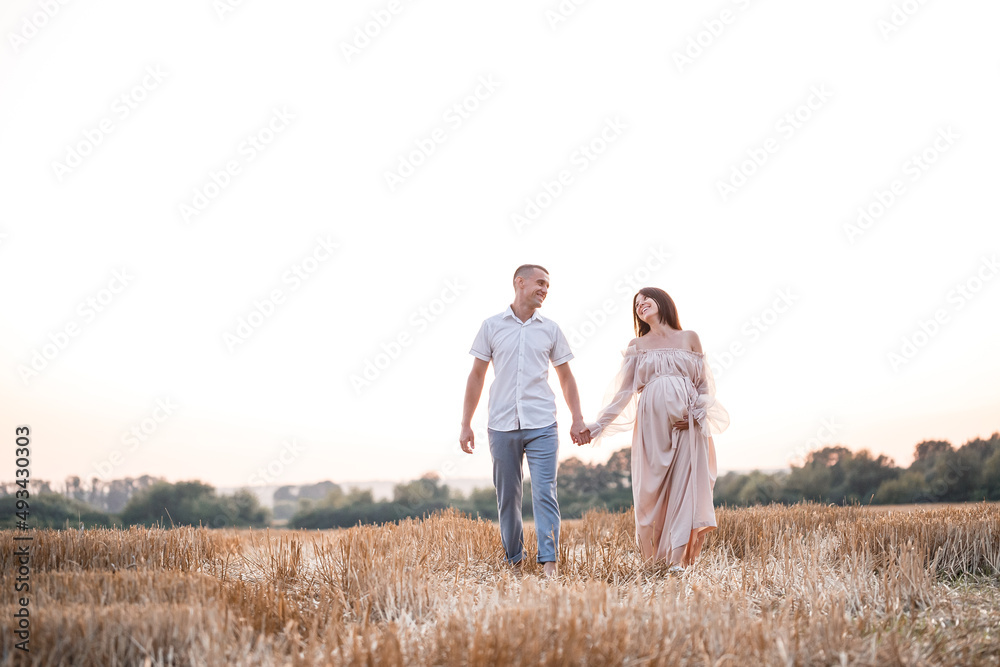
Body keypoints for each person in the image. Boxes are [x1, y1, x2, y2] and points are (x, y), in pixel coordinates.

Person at [583, 287, 729, 572]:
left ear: (661, 301)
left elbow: (703, 386)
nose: (640, 305)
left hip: (688, 425)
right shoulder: (637, 345)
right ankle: (656, 560)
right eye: (636, 304)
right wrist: (598, 425)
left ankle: (677, 560)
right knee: (649, 492)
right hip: (651, 427)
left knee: (686, 486)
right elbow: (624, 392)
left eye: (645, 299)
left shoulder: (689, 338)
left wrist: (697, 413)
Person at [460, 264, 590, 577]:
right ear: (520, 282)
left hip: (542, 423)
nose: (545, 290)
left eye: (548, 285)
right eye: (540, 283)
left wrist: (577, 418)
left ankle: (549, 564)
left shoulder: (551, 329)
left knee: (545, 492)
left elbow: (566, 377)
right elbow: (476, 376)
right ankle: (514, 562)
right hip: (501, 424)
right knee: (508, 497)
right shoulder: (491, 326)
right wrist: (465, 423)